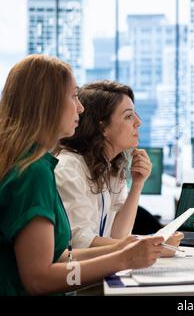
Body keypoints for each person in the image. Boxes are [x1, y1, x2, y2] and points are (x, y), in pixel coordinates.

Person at [0, 55, 164, 296]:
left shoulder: (32, 164)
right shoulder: (33, 171)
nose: (80, 107)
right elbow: (39, 279)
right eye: (73, 96)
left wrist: (124, 248)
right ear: (48, 104)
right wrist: (122, 259)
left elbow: (60, 257)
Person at [54, 80, 182, 255]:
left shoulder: (110, 167)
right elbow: (80, 242)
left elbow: (119, 235)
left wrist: (137, 184)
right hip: (77, 275)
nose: (138, 122)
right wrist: (151, 245)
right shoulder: (69, 168)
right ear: (103, 127)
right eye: (128, 116)